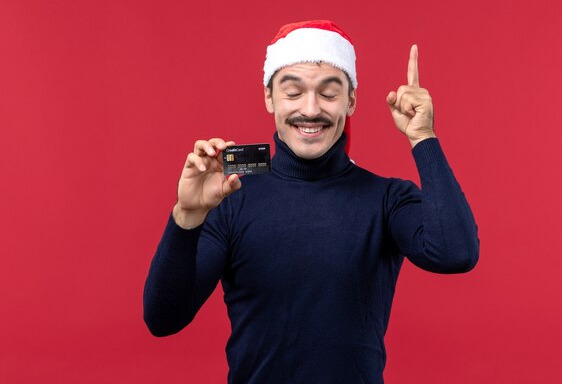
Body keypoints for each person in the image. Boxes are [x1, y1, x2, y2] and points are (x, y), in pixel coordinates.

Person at [143, 20, 479, 384]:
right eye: (292, 92)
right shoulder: (232, 197)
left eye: (329, 93)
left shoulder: (386, 199)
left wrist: (423, 138)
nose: (311, 108)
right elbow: (163, 318)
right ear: (269, 97)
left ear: (350, 101)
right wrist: (187, 215)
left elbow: (456, 252)